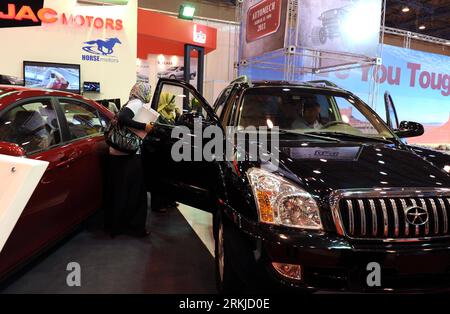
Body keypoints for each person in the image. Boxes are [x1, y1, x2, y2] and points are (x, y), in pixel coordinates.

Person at [105, 82, 154, 238]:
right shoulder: (136, 103)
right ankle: (136, 227)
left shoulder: (130, 102)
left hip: (116, 153)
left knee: (119, 192)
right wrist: (144, 127)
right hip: (129, 156)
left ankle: (116, 226)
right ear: (143, 92)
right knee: (137, 194)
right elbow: (124, 118)